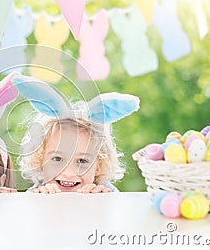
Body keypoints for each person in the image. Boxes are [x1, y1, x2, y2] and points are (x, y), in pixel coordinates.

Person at [11, 75, 140, 193]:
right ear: (40, 161)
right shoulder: (37, 194)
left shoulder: (104, 193)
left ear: (98, 166)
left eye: (82, 161)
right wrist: (37, 205)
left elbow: (119, 215)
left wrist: (104, 204)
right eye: (57, 159)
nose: (69, 172)